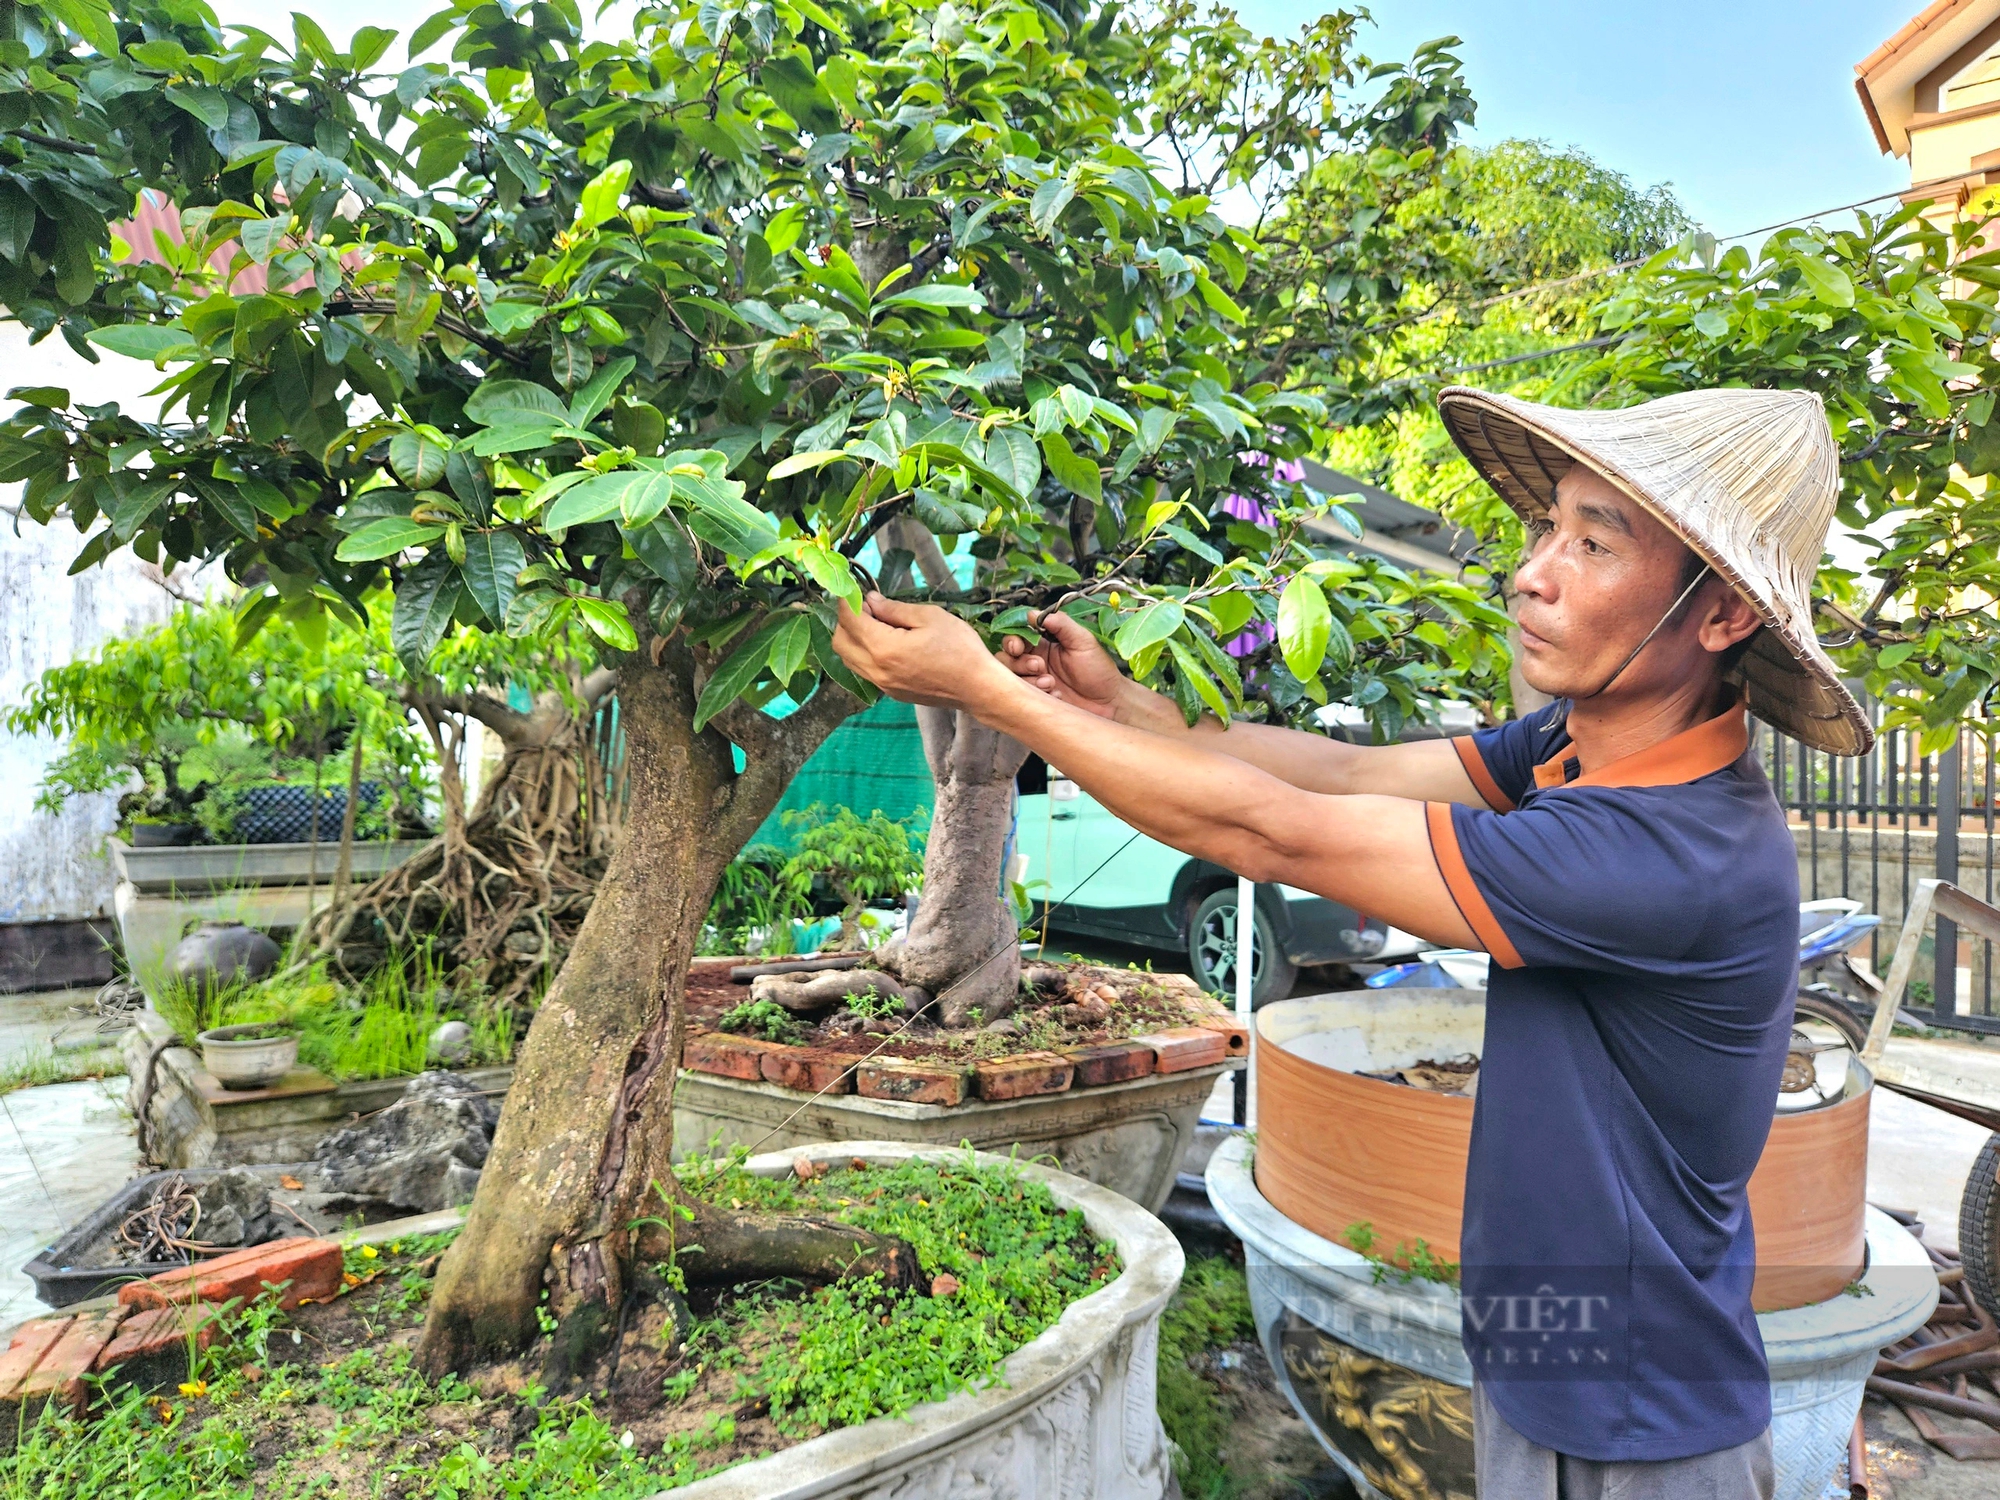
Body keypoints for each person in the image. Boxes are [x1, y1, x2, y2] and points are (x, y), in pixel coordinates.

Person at [832, 385, 1871, 1498]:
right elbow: (1341, 773)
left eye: (1593, 544)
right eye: (1545, 528)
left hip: (1641, 1424)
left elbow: (1270, 831)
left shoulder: (1668, 853)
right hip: (1562, 1369)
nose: (1531, 571)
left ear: (1717, 619)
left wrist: (990, 692)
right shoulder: (1579, 746)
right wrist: (1114, 703)